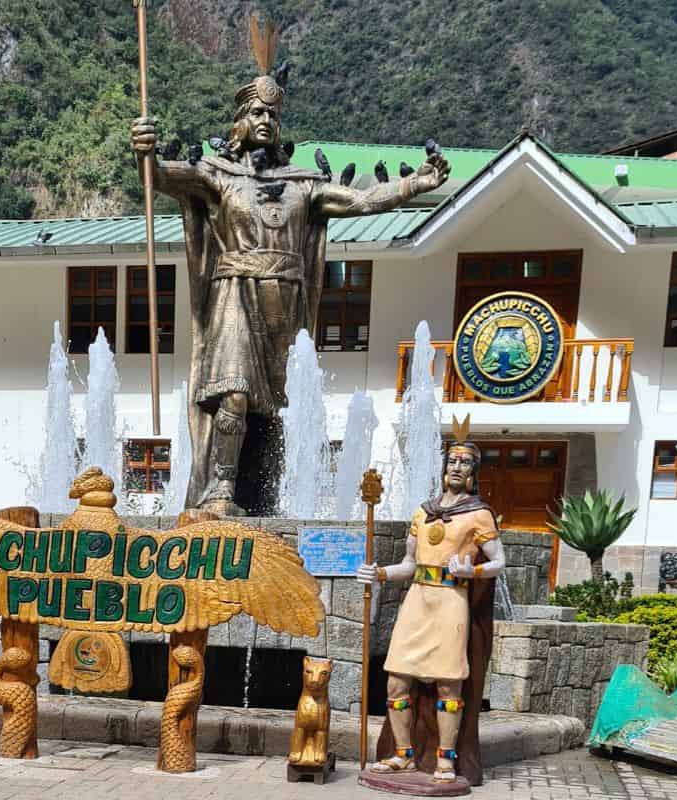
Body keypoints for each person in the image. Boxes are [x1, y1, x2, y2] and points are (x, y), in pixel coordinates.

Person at [131, 54, 449, 515]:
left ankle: (259, 494)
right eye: (256, 113)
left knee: (271, 410)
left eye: (272, 115)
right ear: (239, 121)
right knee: (233, 392)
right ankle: (219, 492)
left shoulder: (303, 183)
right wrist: (144, 150)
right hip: (235, 292)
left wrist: (413, 186)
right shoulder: (219, 175)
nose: (265, 121)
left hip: (285, 306)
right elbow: (160, 176)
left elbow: (361, 200)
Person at [357, 417, 505, 784]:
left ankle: (445, 759)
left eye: (465, 463)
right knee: (396, 681)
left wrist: (473, 572)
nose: (457, 468)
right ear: (444, 468)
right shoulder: (422, 513)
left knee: (448, 683)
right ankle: (404, 755)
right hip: (418, 599)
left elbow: (500, 561)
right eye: (452, 461)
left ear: (473, 471)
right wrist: (380, 574)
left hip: (451, 600)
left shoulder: (478, 513)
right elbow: (410, 564)